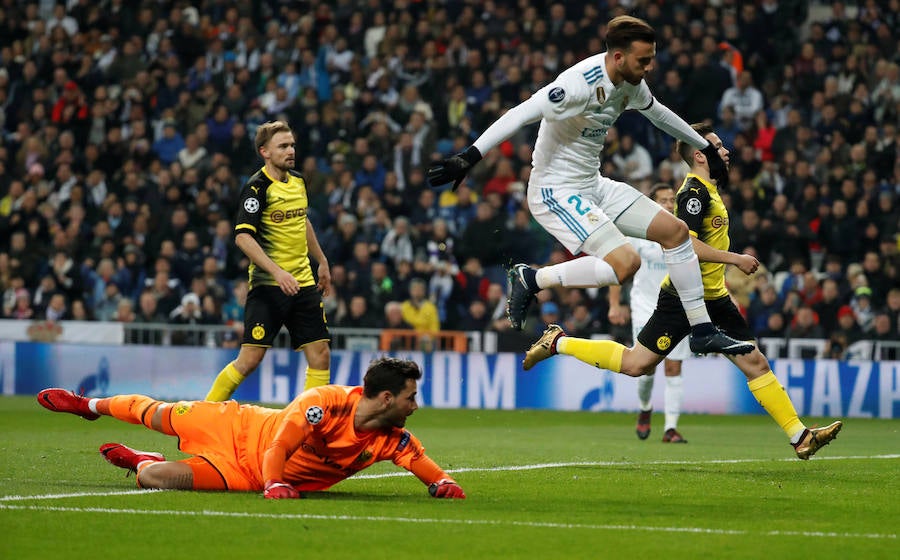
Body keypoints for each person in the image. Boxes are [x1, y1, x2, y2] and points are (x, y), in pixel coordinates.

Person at [427, 15, 751, 357]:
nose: (649, 67)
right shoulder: (576, 85)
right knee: (626, 264)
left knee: (676, 232)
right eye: (644, 60)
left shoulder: (632, 83)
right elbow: (521, 112)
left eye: (651, 59)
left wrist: (703, 146)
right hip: (555, 191)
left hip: (592, 184)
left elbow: (658, 114)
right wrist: (469, 155)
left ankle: (701, 330)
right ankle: (534, 279)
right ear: (618, 57)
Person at [522, 124, 842, 460]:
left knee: (755, 362)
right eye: (718, 146)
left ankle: (800, 436)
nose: (727, 151)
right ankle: (557, 342)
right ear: (701, 155)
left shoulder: (710, 191)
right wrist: (734, 259)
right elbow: (682, 243)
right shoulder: (693, 194)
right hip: (681, 298)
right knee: (637, 365)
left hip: (714, 298)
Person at [36, 357, 465, 500]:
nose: (415, 405)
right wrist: (276, 481)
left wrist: (443, 482)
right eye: (410, 397)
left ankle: (143, 460)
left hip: (244, 475)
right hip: (239, 427)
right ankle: (87, 404)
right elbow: (281, 442)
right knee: (158, 414)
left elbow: (422, 463)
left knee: (156, 479)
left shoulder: (391, 439)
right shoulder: (325, 403)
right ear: (387, 399)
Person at [206, 121, 332, 401]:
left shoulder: (298, 180)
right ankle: (202, 414)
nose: (291, 151)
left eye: (292, 145)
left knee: (321, 355)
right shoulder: (257, 188)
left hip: (303, 283)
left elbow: (302, 221)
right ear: (265, 151)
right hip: (268, 286)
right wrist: (277, 272)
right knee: (250, 359)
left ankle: (306, 428)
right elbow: (242, 237)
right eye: (283, 146)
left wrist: (321, 261)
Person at [607, 184, 690, 443]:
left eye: (671, 200)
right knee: (646, 367)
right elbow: (616, 267)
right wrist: (614, 304)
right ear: (651, 203)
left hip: (677, 307)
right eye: (662, 200)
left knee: (674, 366)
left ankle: (670, 429)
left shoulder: (682, 233)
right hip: (644, 307)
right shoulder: (638, 233)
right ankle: (645, 408)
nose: (668, 204)